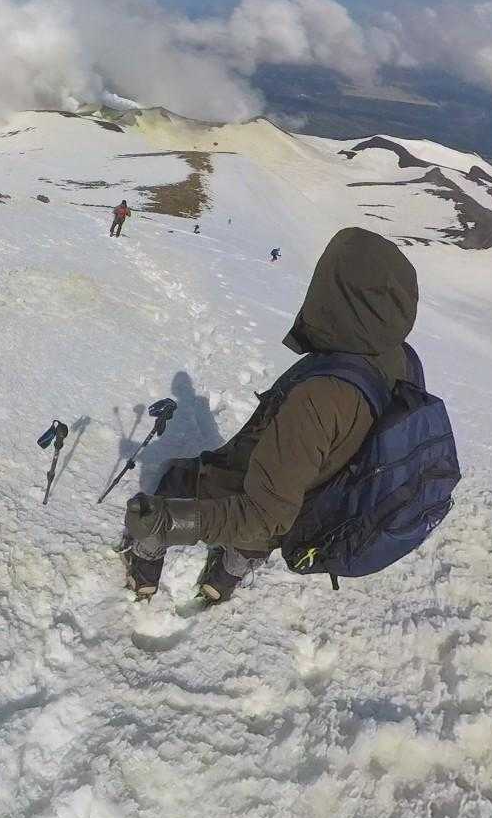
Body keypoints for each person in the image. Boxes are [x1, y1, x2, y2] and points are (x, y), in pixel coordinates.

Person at [122, 227, 421, 605]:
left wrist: (167, 520)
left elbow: (265, 514)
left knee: (177, 481)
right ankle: (228, 572)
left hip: (271, 499)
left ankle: (145, 562)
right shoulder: (399, 358)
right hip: (316, 497)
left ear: (343, 296)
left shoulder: (322, 396)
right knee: (270, 514)